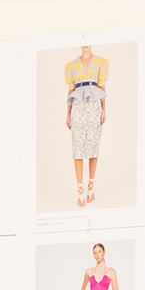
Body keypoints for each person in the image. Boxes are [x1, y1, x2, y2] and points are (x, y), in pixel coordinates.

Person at [64, 45, 108, 207]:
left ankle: (91, 188)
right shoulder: (71, 65)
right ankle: (80, 191)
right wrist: (67, 114)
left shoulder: (100, 62)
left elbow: (102, 87)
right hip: (78, 107)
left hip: (95, 106)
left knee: (93, 146)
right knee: (78, 148)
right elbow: (70, 90)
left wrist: (104, 110)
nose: (85, 44)